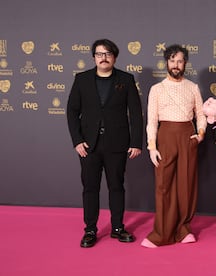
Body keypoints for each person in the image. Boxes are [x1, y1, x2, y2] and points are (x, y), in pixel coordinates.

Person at [67, 38, 143, 248]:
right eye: (100, 54)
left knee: (116, 186)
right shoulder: (81, 79)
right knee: (90, 188)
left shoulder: (126, 79)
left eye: (108, 54)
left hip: (117, 144)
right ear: (94, 57)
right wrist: (77, 140)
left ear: (114, 57)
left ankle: (117, 227)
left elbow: (136, 113)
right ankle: (90, 229)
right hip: (88, 145)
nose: (103, 58)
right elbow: (72, 111)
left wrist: (136, 142)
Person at [141, 44, 207, 248]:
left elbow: (201, 115)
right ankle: (162, 232)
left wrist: (200, 135)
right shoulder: (156, 89)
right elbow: (151, 120)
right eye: (172, 61)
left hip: (188, 137)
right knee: (164, 186)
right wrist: (152, 146)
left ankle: (183, 229)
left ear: (185, 63)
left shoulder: (193, 87)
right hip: (165, 138)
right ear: (166, 63)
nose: (176, 65)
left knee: (186, 185)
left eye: (180, 61)